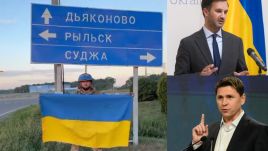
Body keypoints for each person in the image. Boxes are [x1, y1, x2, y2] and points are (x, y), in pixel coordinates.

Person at [190, 76, 268, 151]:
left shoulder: (259, 131)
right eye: (220, 97)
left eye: (229, 97)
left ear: (242, 99)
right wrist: (197, 144)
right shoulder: (209, 131)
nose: (224, 103)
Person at [174, 0, 248, 76]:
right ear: (206, 12)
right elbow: (179, 78)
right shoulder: (187, 43)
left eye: (225, 12)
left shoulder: (236, 42)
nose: (223, 16)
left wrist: (242, 77)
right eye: (218, 11)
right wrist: (200, 76)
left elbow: (242, 73)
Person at [70, 73, 101, 151]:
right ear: (80, 83)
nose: (86, 83)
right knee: (75, 143)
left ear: (91, 82)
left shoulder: (97, 94)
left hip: (93, 121)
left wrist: (127, 96)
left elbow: (109, 99)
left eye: (87, 81)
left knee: (96, 143)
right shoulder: (75, 94)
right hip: (79, 121)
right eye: (83, 81)